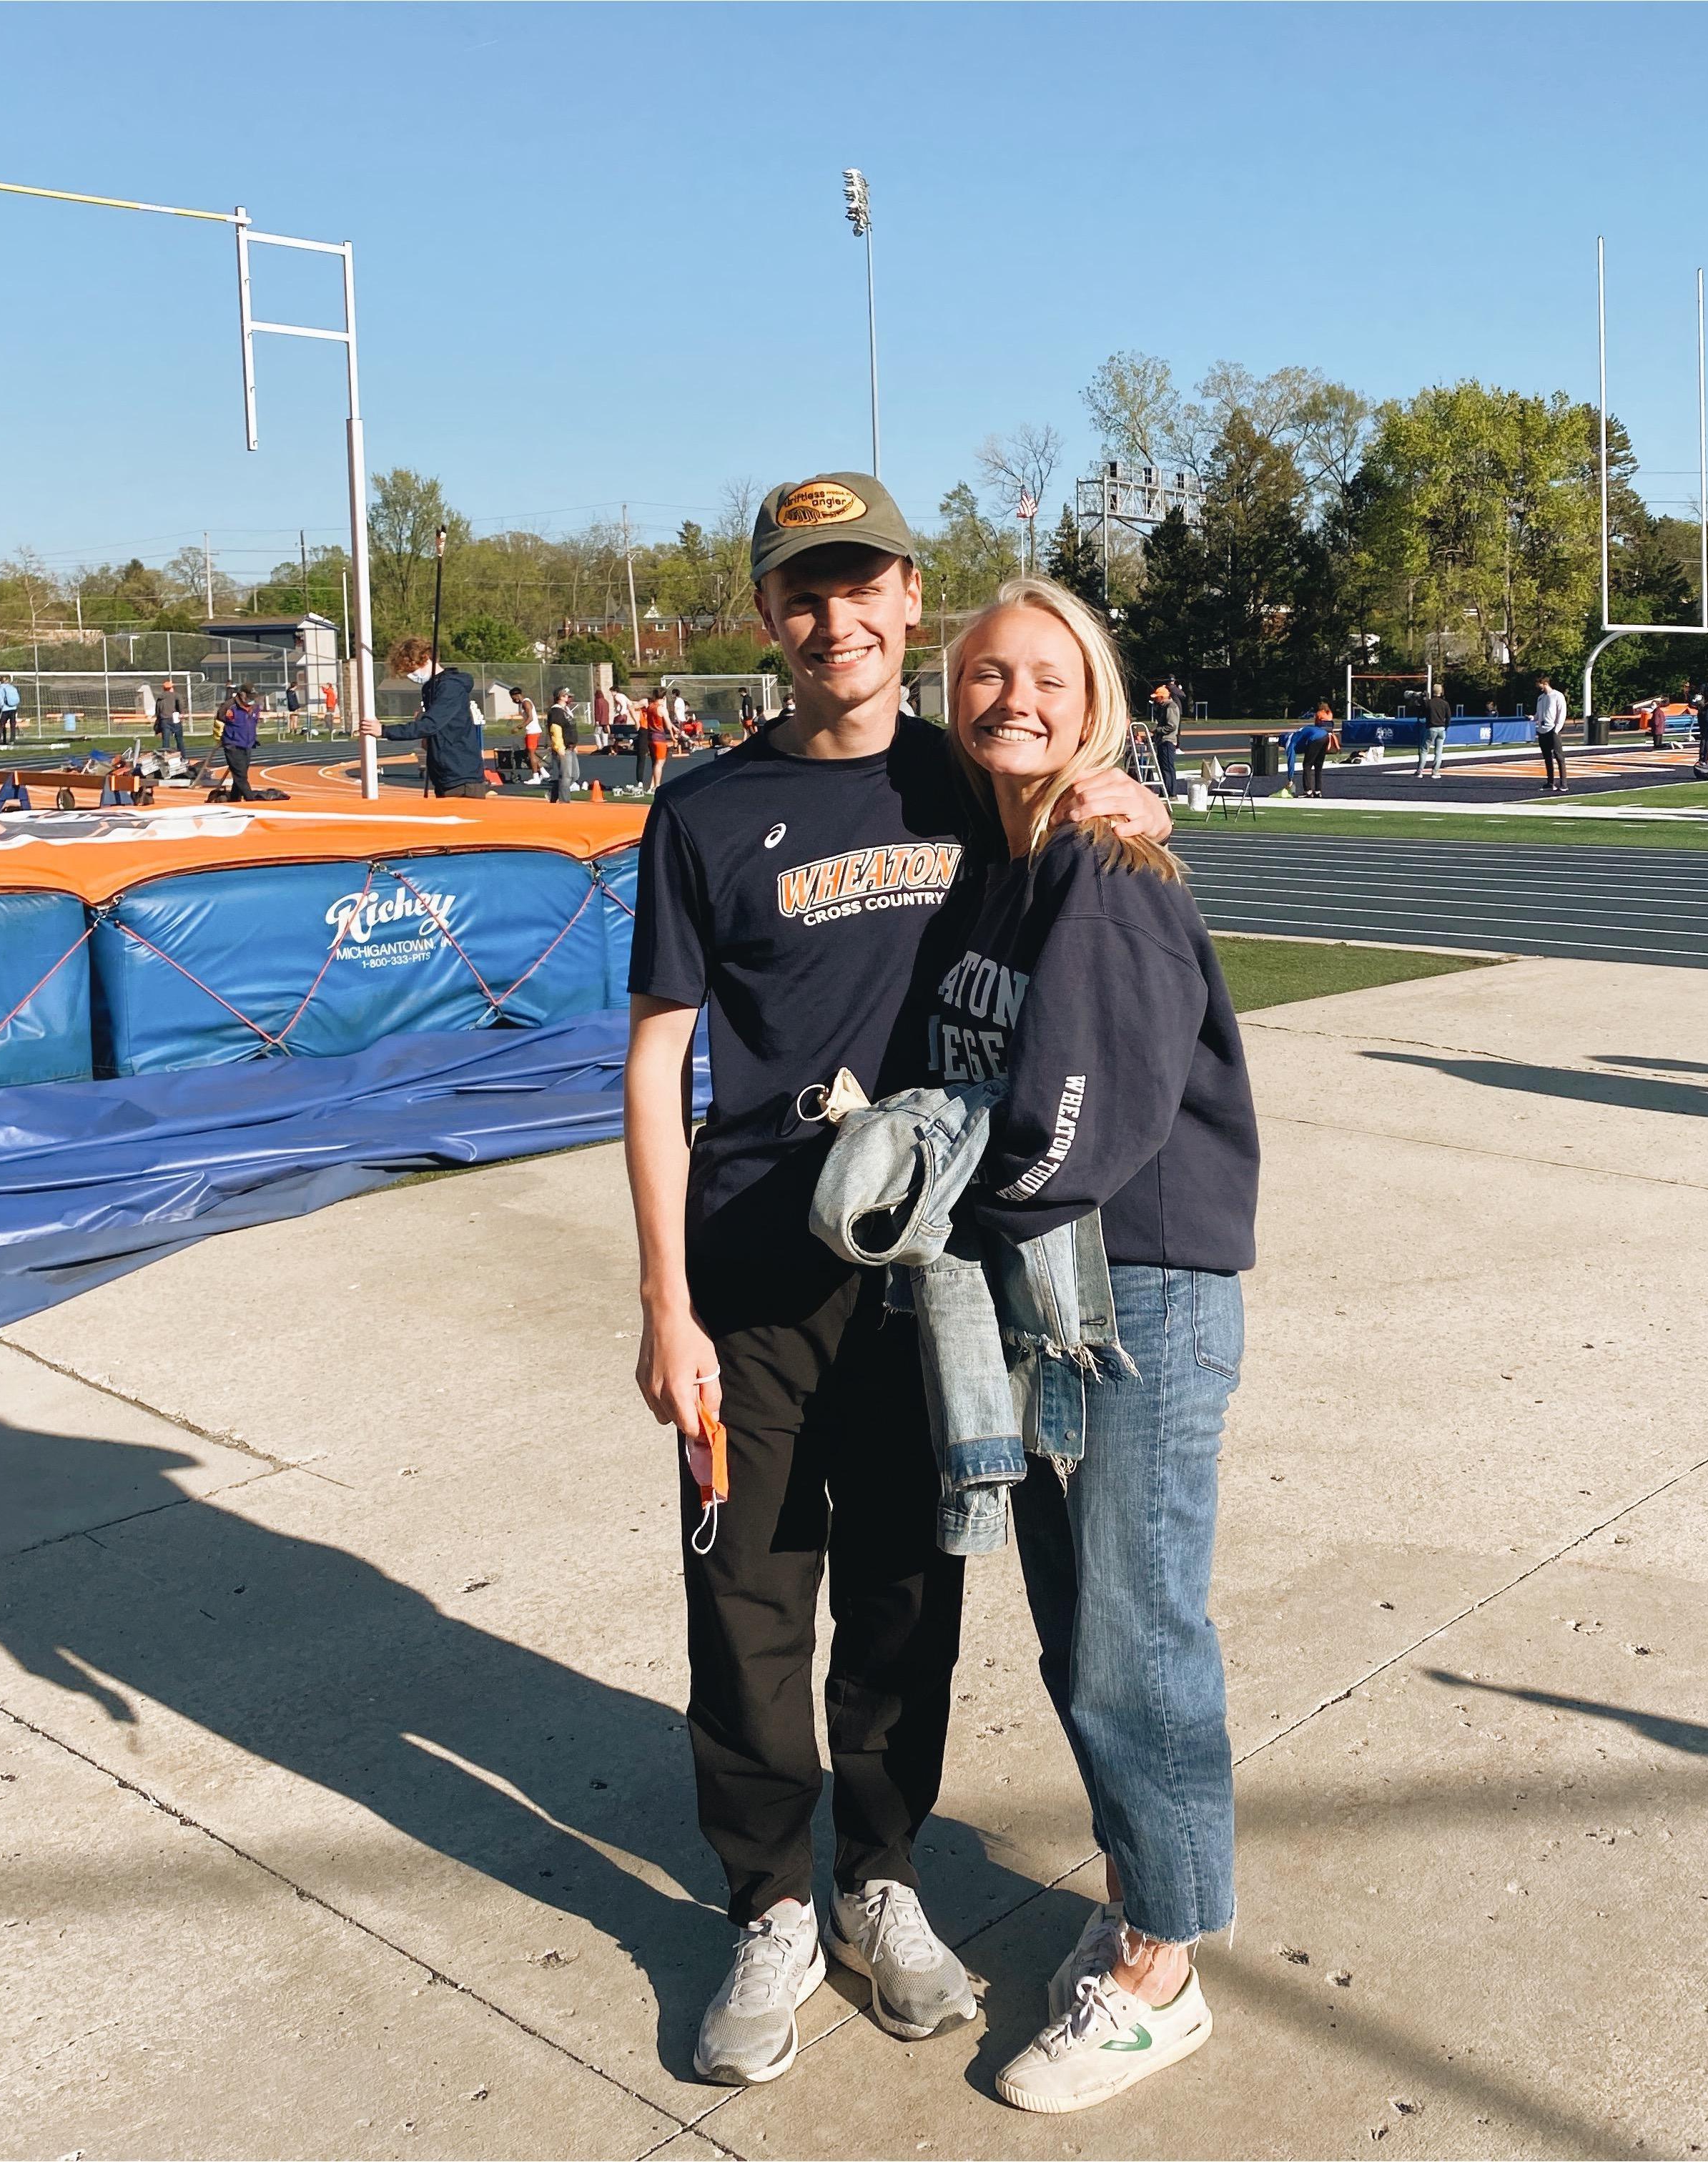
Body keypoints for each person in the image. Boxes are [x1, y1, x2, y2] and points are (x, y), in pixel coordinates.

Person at [622, 472, 1169, 2089]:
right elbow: (657, 1066)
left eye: (862, 584)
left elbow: (1093, 850)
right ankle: (770, 1907)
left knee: (910, 1598)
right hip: (749, 1278)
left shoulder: (967, 776)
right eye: (803, 590)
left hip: (935, 1284)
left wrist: (1136, 818)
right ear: (769, 615)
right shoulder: (705, 811)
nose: (834, 617)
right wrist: (664, 1303)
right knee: (747, 1602)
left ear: (911, 598)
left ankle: (881, 1879)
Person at [919, 575, 1255, 2113]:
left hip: (1134, 1292)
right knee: (1079, 1631)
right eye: (988, 675)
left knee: (1134, 1632)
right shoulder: (1004, 862)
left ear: (1097, 696)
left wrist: (943, 1198)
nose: (1016, 700)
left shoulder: (1105, 867)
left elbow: (1078, 1124)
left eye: (1048, 678)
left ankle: (1165, 1967)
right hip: (1046, 1289)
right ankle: (1141, 1894)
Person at [369, 638, 484, 798]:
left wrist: (384, 731)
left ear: (426, 659)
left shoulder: (450, 687)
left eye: (411, 669)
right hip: (445, 774)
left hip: (460, 775)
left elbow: (431, 724)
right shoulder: (432, 687)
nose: (411, 675)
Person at [219, 681, 260, 802]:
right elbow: (219, 719)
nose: (252, 700)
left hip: (248, 744)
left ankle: (234, 798)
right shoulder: (229, 706)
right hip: (232, 744)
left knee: (241, 773)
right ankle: (250, 798)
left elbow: (254, 722)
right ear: (242, 694)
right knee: (240, 775)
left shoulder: (255, 707)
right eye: (250, 697)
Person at [1534, 672, 1569, 792]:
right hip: (1542, 731)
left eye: (1540, 685)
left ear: (1545, 683)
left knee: (1559, 757)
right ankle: (1550, 782)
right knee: (1547, 757)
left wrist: (1557, 729)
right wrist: (1533, 718)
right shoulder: (1541, 698)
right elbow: (1538, 714)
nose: (1538, 687)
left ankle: (1564, 783)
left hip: (1553, 730)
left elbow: (1561, 714)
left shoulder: (1557, 696)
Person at [544, 687, 579, 803]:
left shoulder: (566, 710)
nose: (569, 698)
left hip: (571, 747)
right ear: (561, 697)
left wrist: (574, 744)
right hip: (563, 748)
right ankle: (565, 801)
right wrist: (559, 747)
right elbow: (555, 731)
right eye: (567, 696)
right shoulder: (556, 712)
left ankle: (553, 794)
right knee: (566, 776)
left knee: (575, 775)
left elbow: (570, 729)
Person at [1420, 683, 1452, 777]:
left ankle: (1420, 771)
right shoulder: (1445, 704)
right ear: (1441, 692)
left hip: (1431, 728)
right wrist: (1446, 726)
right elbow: (1449, 717)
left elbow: (1422, 714)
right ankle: (1435, 772)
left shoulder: (1429, 703)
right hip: (1441, 729)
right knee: (1438, 752)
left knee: (1424, 750)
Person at [152, 679, 184, 756]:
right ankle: (183, 757)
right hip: (175, 719)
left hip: (164, 721)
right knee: (179, 739)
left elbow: (157, 711)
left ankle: (166, 757)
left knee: (166, 741)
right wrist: (181, 712)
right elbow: (180, 703)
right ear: (171, 688)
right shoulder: (176, 695)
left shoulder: (160, 698)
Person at [517, 690, 543, 779]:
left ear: (517, 695)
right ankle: (543, 772)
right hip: (531, 731)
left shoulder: (526, 703)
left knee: (531, 754)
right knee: (530, 753)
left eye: (513, 698)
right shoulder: (523, 703)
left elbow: (530, 718)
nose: (514, 700)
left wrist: (520, 727)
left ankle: (536, 777)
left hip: (533, 731)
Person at [592, 680, 613, 753]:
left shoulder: (597, 701)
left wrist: (597, 720)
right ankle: (605, 746)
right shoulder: (606, 701)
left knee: (596, 734)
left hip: (600, 721)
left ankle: (599, 746)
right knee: (605, 734)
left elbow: (598, 711)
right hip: (605, 720)